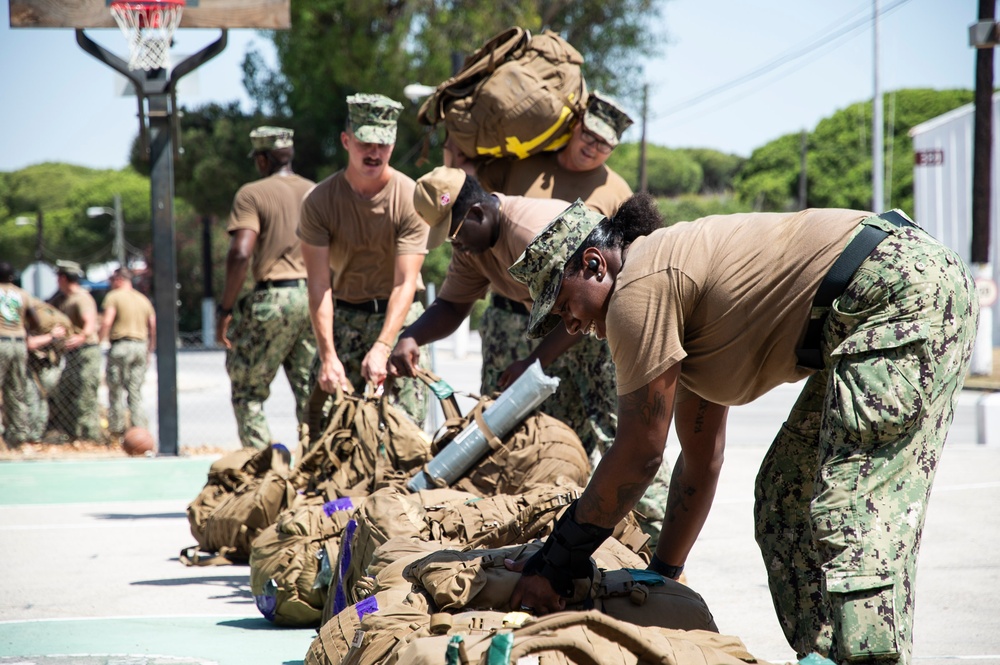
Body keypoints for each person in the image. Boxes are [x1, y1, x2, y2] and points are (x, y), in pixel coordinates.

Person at [504, 195, 978, 665]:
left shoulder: (637, 288)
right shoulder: (674, 305)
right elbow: (698, 462)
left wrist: (557, 562)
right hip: (875, 300)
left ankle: (865, 660)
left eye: (564, 304)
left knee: (850, 502)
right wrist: (663, 575)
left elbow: (638, 455)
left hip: (898, 292)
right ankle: (823, 653)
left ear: (593, 263)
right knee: (787, 492)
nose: (571, 324)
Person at [388, 167, 667, 539]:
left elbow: (585, 297)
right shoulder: (473, 247)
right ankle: (590, 534)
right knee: (564, 445)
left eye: (455, 237)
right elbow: (453, 306)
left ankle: (658, 535)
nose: (458, 249)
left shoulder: (529, 232)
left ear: (476, 213)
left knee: (626, 433)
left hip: (600, 329)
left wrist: (534, 362)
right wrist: (411, 337)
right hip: (565, 330)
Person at [298, 93, 430, 424]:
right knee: (323, 420)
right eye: (365, 142)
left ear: (393, 143)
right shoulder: (318, 201)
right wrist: (328, 356)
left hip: (399, 315)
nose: (374, 152)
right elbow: (318, 285)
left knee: (406, 427)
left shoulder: (411, 198)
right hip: (343, 315)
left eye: (382, 144)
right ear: (346, 140)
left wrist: (384, 346)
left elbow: (405, 282)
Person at [217, 126, 318, 449]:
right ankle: (317, 474)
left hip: (274, 298)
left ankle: (265, 475)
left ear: (262, 160)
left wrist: (226, 308)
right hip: (314, 298)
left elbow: (241, 252)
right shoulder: (316, 191)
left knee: (248, 392)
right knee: (312, 394)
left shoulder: (252, 193)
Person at [450, 91, 634, 217]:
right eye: (589, 135)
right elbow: (462, 178)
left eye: (603, 144)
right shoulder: (523, 162)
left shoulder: (619, 195)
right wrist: (456, 128)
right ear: (577, 124)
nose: (593, 147)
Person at [98, 267, 156, 437]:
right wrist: (150, 350)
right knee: (135, 392)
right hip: (140, 346)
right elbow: (152, 326)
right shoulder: (143, 299)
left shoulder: (113, 296)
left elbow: (107, 321)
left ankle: (117, 431)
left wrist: (99, 340)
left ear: (119, 280)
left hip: (121, 346)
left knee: (115, 390)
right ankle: (140, 432)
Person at [50, 260, 102, 441]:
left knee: (85, 395)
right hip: (71, 354)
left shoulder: (81, 298)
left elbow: (90, 323)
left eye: (58, 277)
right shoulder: (62, 299)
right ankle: (71, 434)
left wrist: (81, 337)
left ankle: (90, 437)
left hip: (86, 352)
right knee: (64, 392)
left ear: (63, 278)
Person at [0, 262, 40, 447]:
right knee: (16, 389)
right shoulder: (22, 294)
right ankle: (19, 435)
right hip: (18, 343)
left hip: (1, 341)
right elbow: (35, 321)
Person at [24, 297, 69, 442]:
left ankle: (32, 434)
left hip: (43, 364)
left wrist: (50, 336)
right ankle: (36, 433)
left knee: (35, 398)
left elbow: (30, 344)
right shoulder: (54, 318)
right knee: (40, 399)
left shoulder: (32, 320)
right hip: (46, 363)